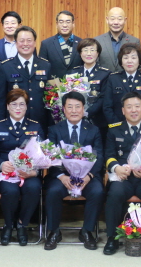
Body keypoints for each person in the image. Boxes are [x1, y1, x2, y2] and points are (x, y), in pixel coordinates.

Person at [103, 92, 141, 256]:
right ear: (123, 110)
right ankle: (112, 238)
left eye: (137, 106)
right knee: (114, 194)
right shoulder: (114, 130)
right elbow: (109, 155)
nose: (133, 110)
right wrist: (116, 168)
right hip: (123, 177)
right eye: (129, 107)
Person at [44, 92, 104, 251]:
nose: (74, 110)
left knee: (97, 192)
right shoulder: (54, 129)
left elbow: (99, 156)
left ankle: (87, 231)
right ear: (64, 109)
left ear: (84, 109)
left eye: (78, 106)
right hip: (62, 177)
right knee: (53, 191)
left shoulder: (93, 130)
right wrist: (61, 176)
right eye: (70, 107)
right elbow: (49, 156)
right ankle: (54, 232)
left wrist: (89, 176)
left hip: (87, 177)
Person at [0, 89, 45, 246]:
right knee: (11, 191)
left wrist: (34, 172)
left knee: (33, 188)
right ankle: (8, 225)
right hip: (7, 173)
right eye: (14, 104)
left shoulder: (35, 126)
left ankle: (21, 225)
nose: (18, 108)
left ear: (26, 107)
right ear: (7, 106)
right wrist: (1, 164)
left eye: (22, 104)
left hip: (29, 173)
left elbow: (43, 154)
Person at [0, 26, 51, 129]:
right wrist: (0, 126)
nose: (25, 44)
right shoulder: (6, 66)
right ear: (16, 43)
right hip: (14, 124)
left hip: (40, 123)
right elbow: (0, 100)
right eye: (21, 41)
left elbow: (51, 99)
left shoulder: (45, 65)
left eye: (29, 40)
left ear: (34, 43)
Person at [103, 43, 141, 125]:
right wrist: (118, 126)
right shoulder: (113, 78)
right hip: (118, 126)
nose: (129, 61)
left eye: (133, 57)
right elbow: (107, 107)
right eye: (125, 58)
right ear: (121, 61)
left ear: (139, 61)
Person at [71, 38, 110, 139]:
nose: (89, 54)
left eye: (92, 50)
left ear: (97, 53)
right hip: (75, 120)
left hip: (97, 121)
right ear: (80, 53)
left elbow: (104, 98)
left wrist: (87, 112)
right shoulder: (73, 73)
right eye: (85, 50)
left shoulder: (105, 74)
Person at [94, 7, 140, 73]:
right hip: (104, 79)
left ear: (125, 20)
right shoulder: (97, 41)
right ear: (107, 20)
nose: (116, 22)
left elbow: (138, 66)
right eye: (112, 19)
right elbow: (94, 65)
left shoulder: (134, 41)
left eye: (119, 19)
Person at [39, 10, 82, 79]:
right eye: (61, 22)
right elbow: (42, 67)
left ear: (73, 24)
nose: (64, 25)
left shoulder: (81, 43)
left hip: (77, 84)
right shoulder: (46, 44)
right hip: (53, 84)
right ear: (56, 24)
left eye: (68, 22)